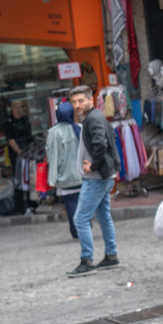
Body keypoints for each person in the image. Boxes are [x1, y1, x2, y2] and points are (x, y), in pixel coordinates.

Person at [67, 84, 120, 277]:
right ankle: (111, 256)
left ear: (91, 100)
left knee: (80, 218)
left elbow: (100, 143)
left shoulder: (93, 119)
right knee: (103, 216)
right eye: (74, 102)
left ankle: (87, 260)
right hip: (102, 175)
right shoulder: (94, 117)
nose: (77, 105)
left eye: (81, 100)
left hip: (96, 177)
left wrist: (93, 166)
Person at [46, 101, 85, 240]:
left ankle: (76, 230)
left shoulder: (54, 132)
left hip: (65, 175)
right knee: (83, 201)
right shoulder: (80, 128)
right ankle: (85, 227)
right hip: (82, 173)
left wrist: (52, 178)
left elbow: (52, 156)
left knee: (71, 203)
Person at [2, 99, 36, 215]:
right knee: (20, 181)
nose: (23, 110)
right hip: (19, 155)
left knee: (30, 178)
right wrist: (20, 152)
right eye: (21, 107)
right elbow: (11, 140)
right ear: (15, 108)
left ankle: (32, 204)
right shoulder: (9, 123)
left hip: (29, 152)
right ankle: (20, 206)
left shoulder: (25, 120)